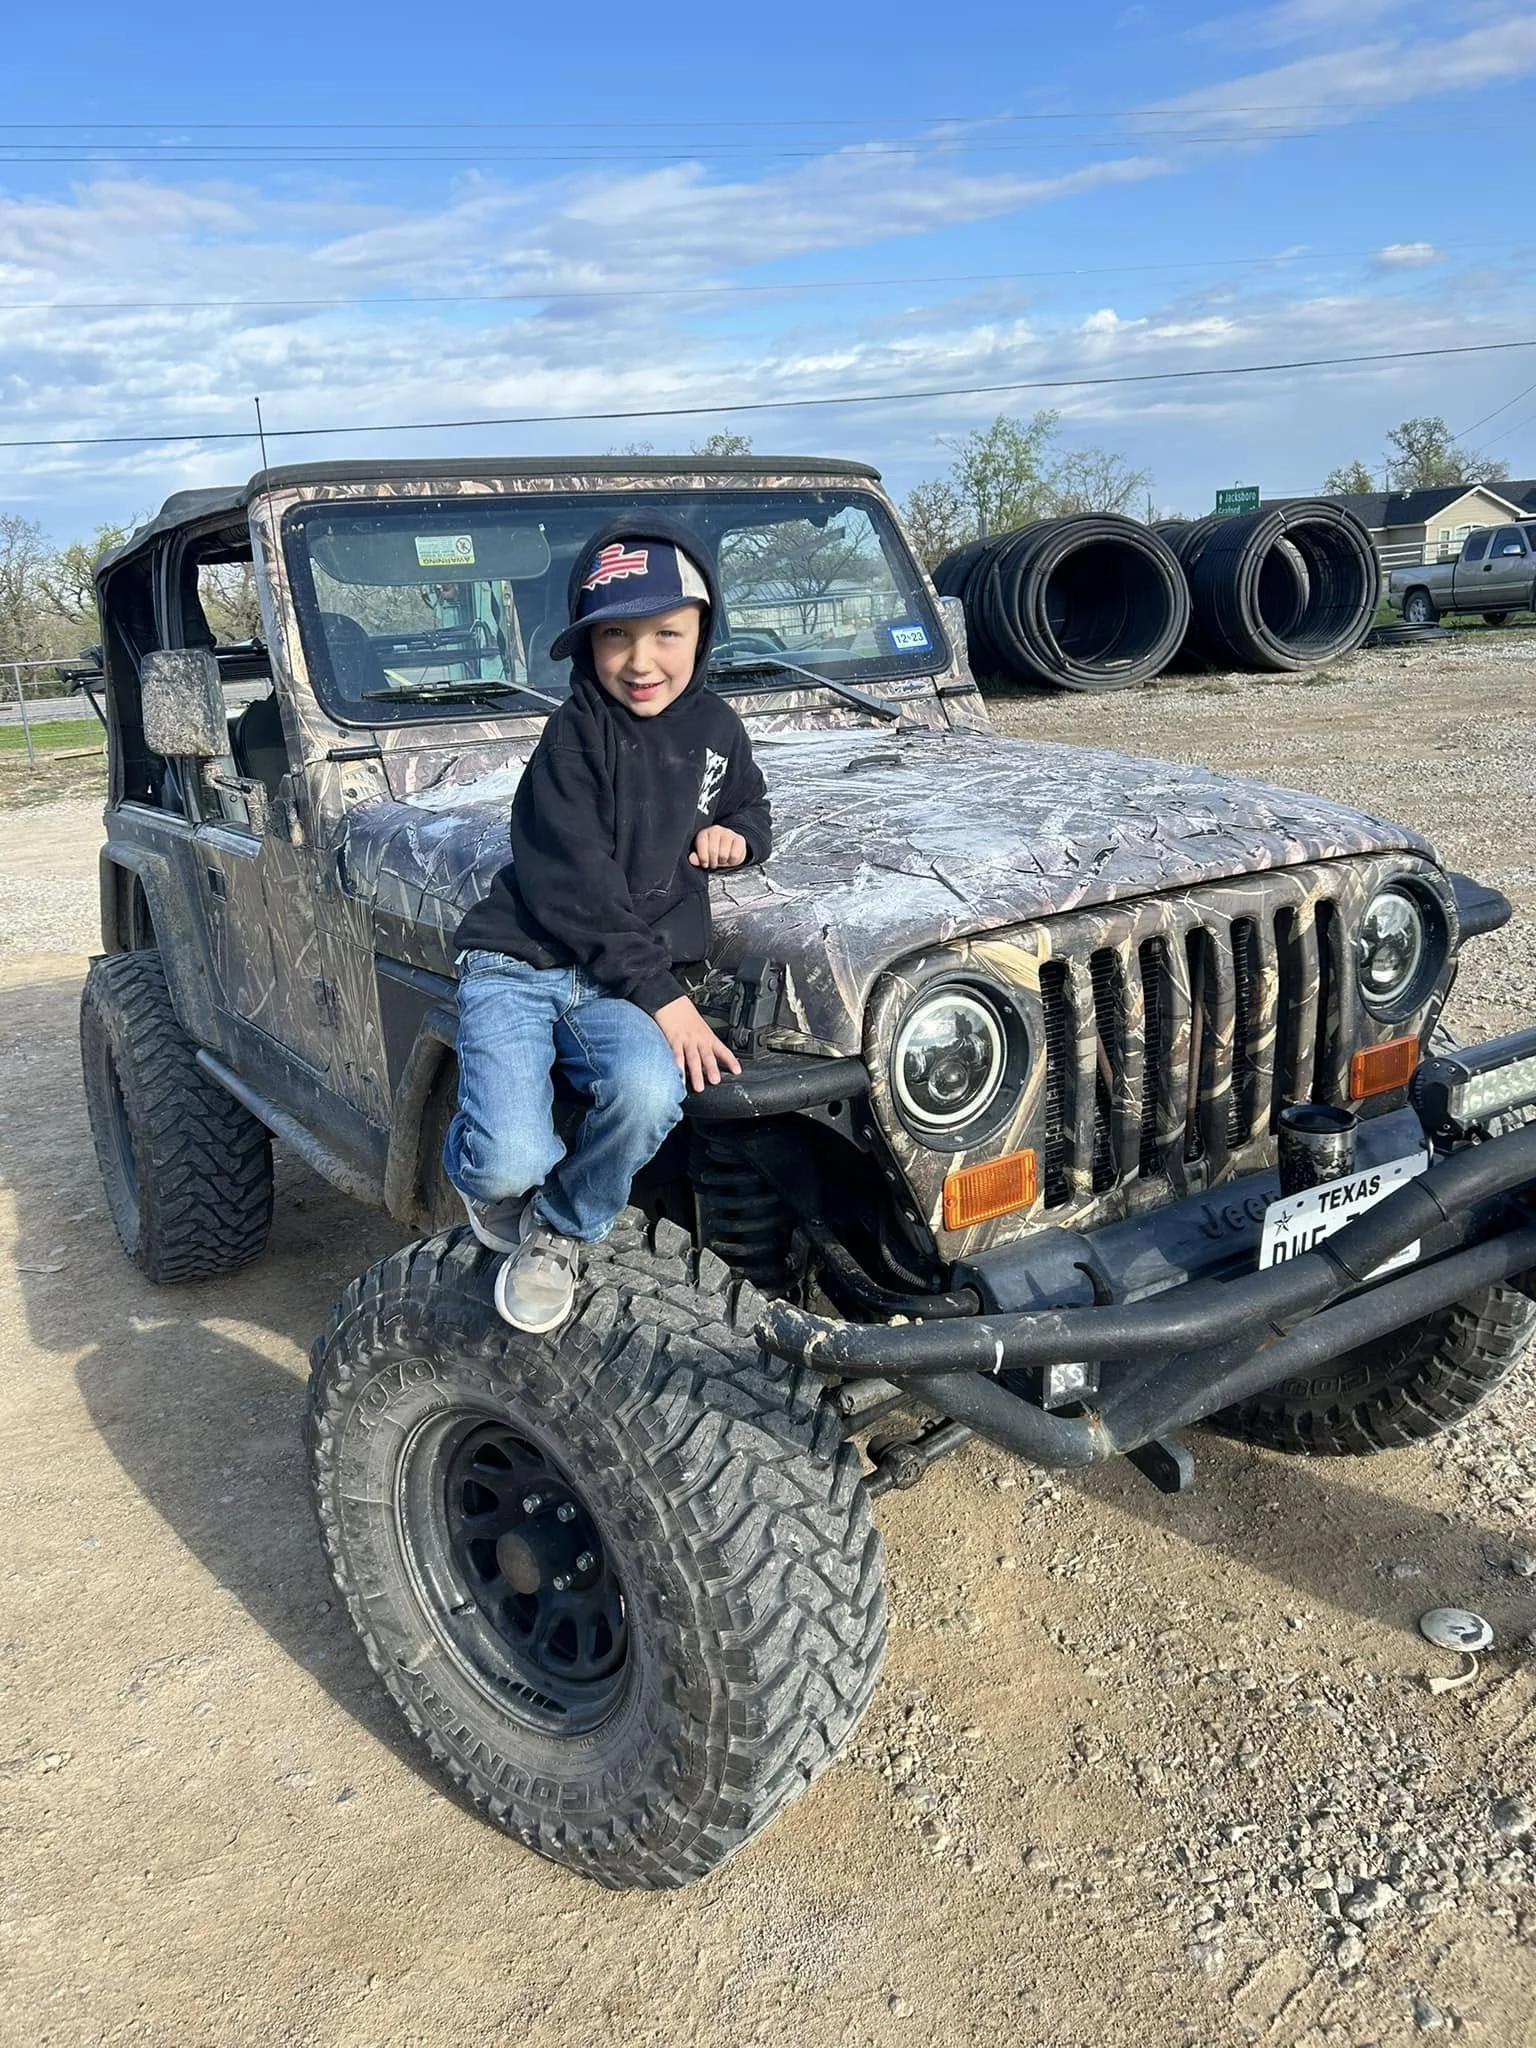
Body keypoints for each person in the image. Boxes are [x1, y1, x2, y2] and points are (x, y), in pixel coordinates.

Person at [445, 517, 772, 1334]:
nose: (641, 659)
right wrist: (666, 999)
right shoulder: (574, 735)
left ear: (704, 630)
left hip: (610, 983)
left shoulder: (716, 729)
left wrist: (739, 835)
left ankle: (561, 1229)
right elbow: (578, 887)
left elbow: (748, 801)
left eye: (667, 632)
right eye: (614, 636)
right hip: (520, 961)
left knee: (651, 1091)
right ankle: (477, 1166)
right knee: (505, 1161)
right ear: (586, 645)